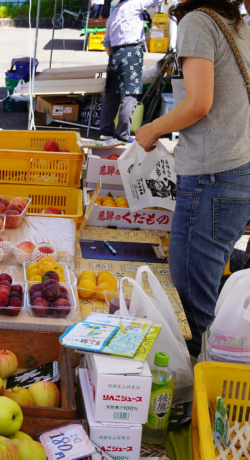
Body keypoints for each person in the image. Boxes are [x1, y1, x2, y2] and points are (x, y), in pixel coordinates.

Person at [135, 0, 250, 357]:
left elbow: (199, 102)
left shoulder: (199, 22)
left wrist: (151, 130)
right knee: (205, 279)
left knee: (191, 298)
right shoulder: (236, 23)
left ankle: (200, 385)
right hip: (236, 167)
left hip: (210, 176)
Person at [99, 0, 161, 143]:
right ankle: (122, 134)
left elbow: (106, 44)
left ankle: (106, 132)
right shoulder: (134, 4)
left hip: (114, 54)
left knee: (111, 94)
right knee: (129, 94)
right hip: (131, 52)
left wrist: (116, 56)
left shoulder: (112, 16)